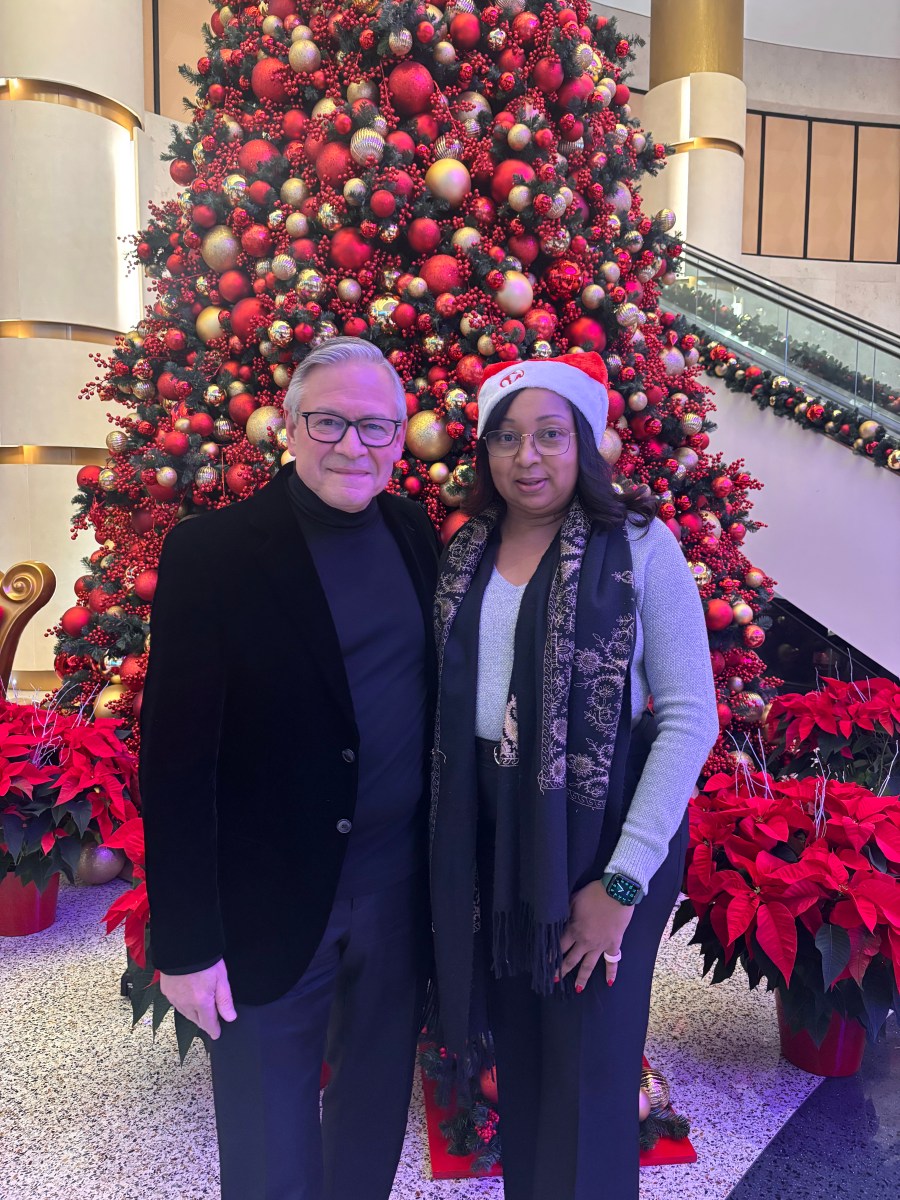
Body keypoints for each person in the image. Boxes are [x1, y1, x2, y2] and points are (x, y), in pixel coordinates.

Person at [140, 337, 439, 1200]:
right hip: (266, 904)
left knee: (372, 1120)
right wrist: (187, 943)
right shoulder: (215, 553)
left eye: (375, 426)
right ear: (292, 429)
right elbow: (175, 762)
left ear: (400, 436)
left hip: (395, 893)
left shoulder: (413, 533)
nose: (353, 445)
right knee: (269, 1147)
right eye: (330, 422)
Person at [429, 352, 719, 1200]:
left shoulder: (640, 545)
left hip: (602, 837)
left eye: (551, 435)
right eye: (508, 437)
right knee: (519, 1063)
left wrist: (619, 887)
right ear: (485, 451)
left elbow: (690, 715)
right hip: (494, 835)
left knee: (589, 1074)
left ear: (586, 443)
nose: (528, 457)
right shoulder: (468, 550)